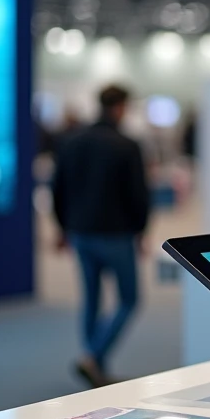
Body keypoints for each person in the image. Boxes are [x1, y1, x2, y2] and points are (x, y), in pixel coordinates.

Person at [52, 85, 150, 388]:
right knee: (129, 298)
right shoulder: (127, 145)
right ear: (121, 106)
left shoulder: (72, 141)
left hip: (81, 232)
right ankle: (93, 357)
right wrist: (140, 230)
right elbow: (138, 194)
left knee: (91, 298)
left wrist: (62, 227)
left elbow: (57, 188)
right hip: (116, 234)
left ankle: (94, 363)